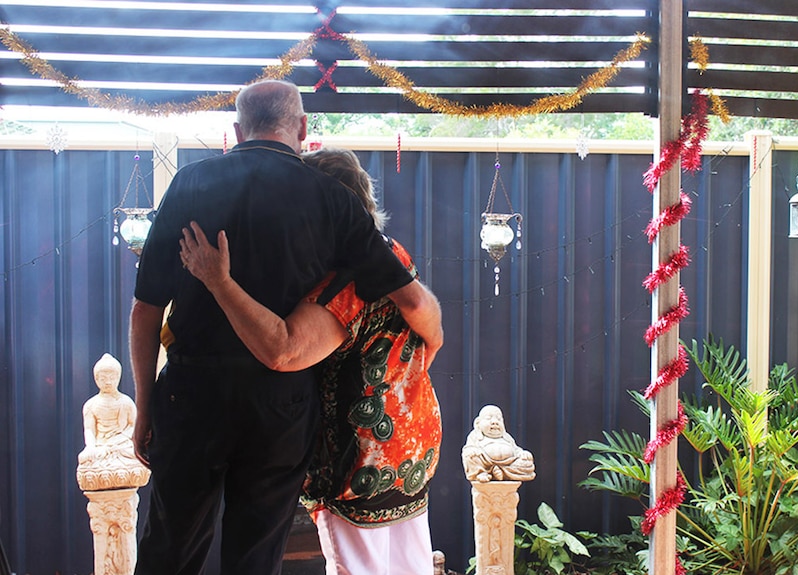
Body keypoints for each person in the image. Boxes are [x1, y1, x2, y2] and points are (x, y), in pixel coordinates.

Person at [129, 81, 443, 575]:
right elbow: (406, 295)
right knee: (255, 556)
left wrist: (144, 409)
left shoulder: (191, 182)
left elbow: (145, 310)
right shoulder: (332, 198)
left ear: (236, 130)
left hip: (192, 396)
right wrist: (433, 342)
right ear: (301, 128)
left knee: (170, 546)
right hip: (280, 402)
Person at [77, 353, 150, 492]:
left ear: (118, 378)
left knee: (135, 455)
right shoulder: (91, 405)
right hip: (101, 446)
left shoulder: (126, 402)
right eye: (103, 378)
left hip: (121, 445)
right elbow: (89, 430)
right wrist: (91, 447)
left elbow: (132, 427)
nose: (108, 382)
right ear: (96, 379)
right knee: (85, 459)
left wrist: (118, 441)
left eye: (112, 378)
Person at [461, 405, 535, 483]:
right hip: (486, 462)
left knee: (527, 461)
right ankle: (481, 472)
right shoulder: (475, 435)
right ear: (478, 423)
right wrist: (472, 450)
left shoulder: (506, 437)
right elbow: (469, 447)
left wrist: (522, 453)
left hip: (508, 464)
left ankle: (502, 472)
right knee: (469, 455)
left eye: (499, 419)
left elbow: (515, 448)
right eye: (488, 418)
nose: (495, 422)